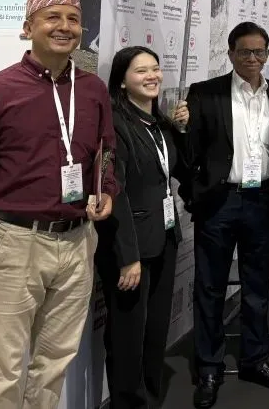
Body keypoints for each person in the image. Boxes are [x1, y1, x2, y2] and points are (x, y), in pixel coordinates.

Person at [0, 0, 116, 409]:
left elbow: (106, 153)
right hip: (15, 242)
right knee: (3, 365)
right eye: (52, 17)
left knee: (54, 362)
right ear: (28, 27)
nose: (65, 27)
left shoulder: (93, 90)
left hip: (77, 242)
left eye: (73, 19)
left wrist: (107, 189)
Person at [184, 21, 269, 408]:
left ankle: (255, 360)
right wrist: (195, 195)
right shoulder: (206, 93)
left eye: (259, 51)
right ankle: (209, 366)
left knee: (257, 288)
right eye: (244, 52)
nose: (253, 58)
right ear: (231, 53)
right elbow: (189, 152)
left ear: (268, 54)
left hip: (262, 203)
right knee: (210, 288)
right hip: (219, 202)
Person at [94, 46, 190, 408]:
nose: (152, 76)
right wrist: (128, 257)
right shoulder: (115, 126)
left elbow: (181, 171)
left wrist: (183, 130)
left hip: (164, 238)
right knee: (127, 336)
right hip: (130, 248)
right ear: (122, 81)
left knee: (155, 330)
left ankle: (149, 398)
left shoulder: (160, 124)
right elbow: (114, 193)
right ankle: (128, 403)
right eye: (140, 71)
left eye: (155, 69)